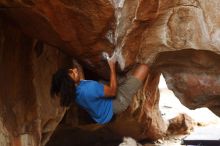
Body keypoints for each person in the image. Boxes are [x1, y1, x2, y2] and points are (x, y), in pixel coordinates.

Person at [50, 52, 149, 124]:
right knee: (145, 66)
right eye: (73, 73)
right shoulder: (89, 88)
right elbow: (113, 92)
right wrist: (112, 66)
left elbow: (79, 73)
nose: (75, 70)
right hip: (115, 104)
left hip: (99, 113)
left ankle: (122, 79)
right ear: (71, 84)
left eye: (71, 70)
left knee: (103, 82)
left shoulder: (72, 92)